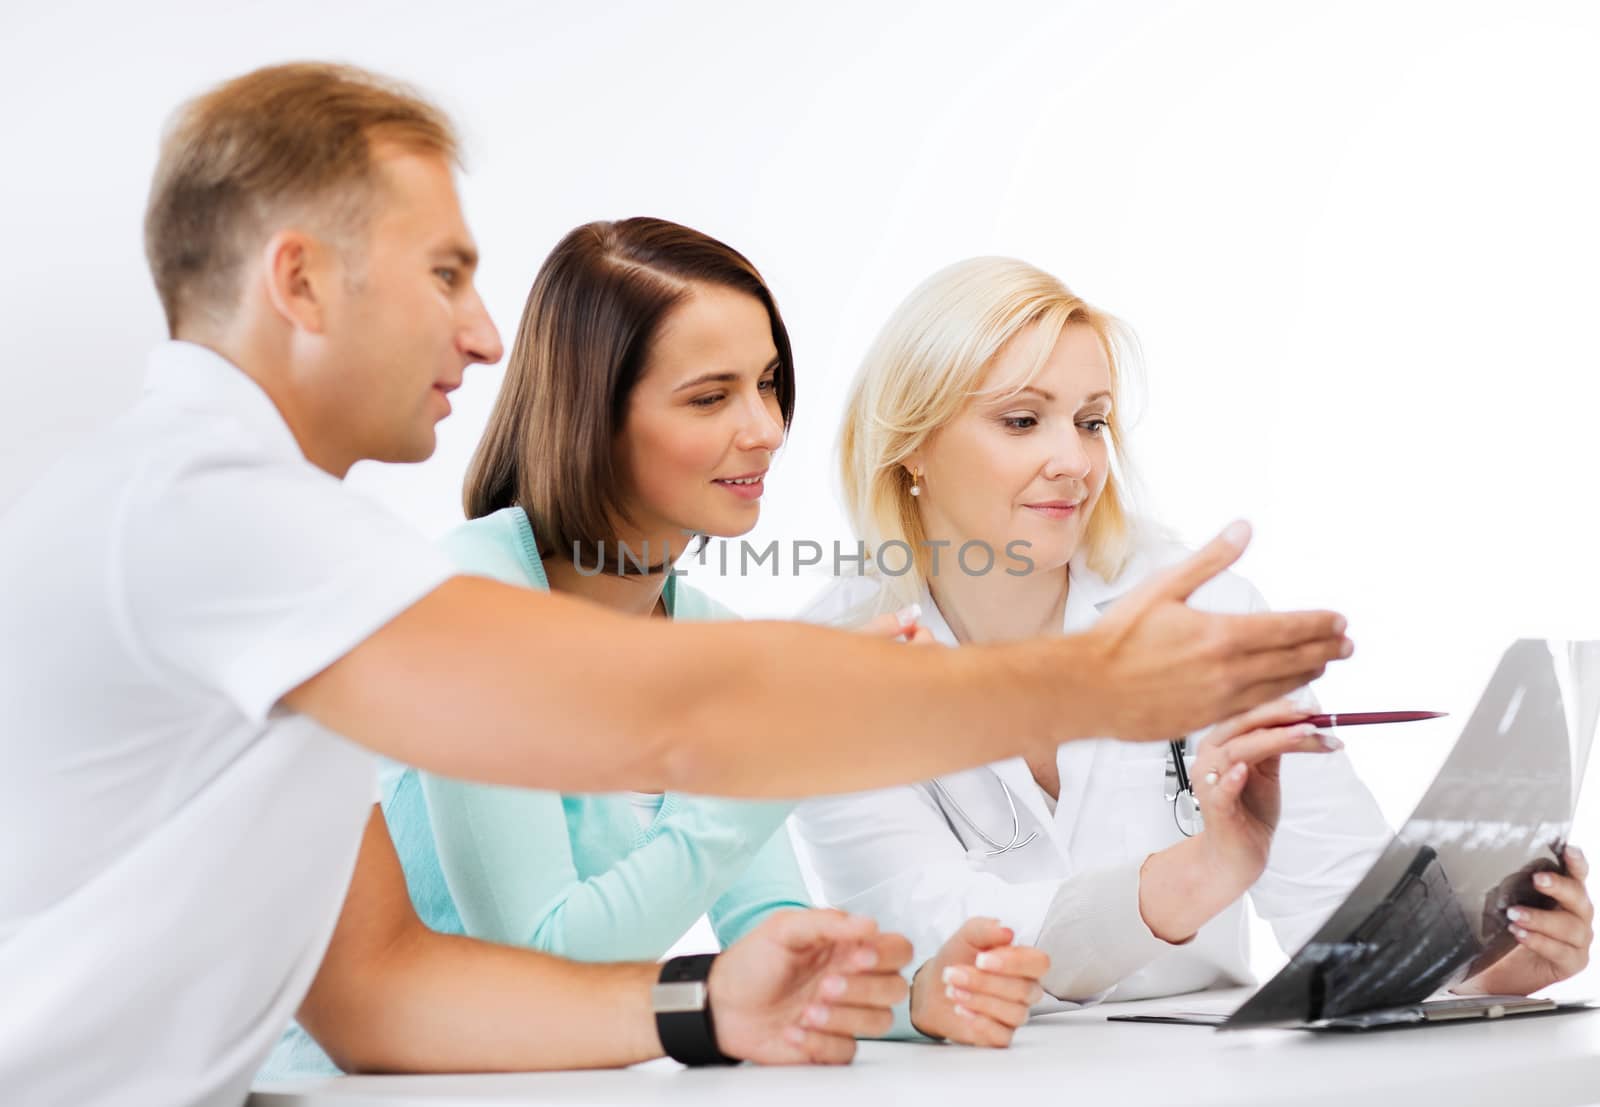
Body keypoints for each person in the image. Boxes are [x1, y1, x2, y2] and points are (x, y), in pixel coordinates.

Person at [0, 65, 1354, 1107]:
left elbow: (375, 989)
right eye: (447, 274)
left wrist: (706, 1004)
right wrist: (1079, 685)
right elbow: (671, 720)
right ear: (298, 278)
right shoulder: (204, 513)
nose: (483, 331)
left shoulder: (271, 546)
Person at [263, 217, 1049, 1080]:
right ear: (592, 416)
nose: (766, 429)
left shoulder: (712, 631)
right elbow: (543, 962)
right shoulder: (475, 606)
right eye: (711, 397)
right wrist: (775, 756)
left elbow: (768, 929)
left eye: (769, 382)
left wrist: (915, 996)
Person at [792, 256, 1594, 1010]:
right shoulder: (824, 664)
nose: (1073, 460)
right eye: (1023, 419)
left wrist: (1489, 962)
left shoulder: (1211, 615)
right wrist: (1201, 872)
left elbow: (1341, 909)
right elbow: (934, 942)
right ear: (912, 446)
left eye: (1092, 421)